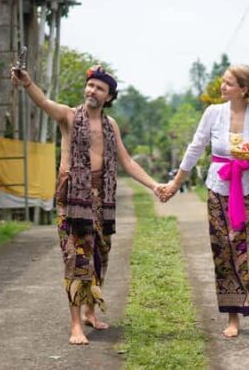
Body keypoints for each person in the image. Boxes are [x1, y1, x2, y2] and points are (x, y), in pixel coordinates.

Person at [11, 64, 162, 345]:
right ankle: (76, 325)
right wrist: (28, 83)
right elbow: (43, 102)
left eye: (99, 88)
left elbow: (126, 161)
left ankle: (91, 311)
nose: (92, 90)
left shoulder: (110, 125)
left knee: (99, 257)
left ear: (109, 96)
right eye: (90, 85)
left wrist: (154, 185)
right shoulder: (68, 116)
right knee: (76, 259)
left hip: (101, 199)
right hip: (72, 199)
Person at [160, 64, 249, 341]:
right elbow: (196, 147)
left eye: (228, 83)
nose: (222, 87)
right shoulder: (213, 113)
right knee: (223, 250)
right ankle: (232, 318)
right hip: (219, 190)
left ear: (244, 89)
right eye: (222, 82)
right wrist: (176, 183)